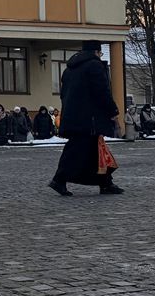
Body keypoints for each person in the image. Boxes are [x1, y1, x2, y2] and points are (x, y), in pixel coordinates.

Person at [48, 40, 122, 196]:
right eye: (100, 53)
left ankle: (105, 182)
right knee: (77, 150)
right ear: (96, 52)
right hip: (90, 118)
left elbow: (64, 95)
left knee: (94, 150)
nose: (100, 56)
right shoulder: (94, 66)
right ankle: (59, 179)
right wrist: (112, 110)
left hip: (74, 116)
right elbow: (102, 92)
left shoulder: (69, 69)